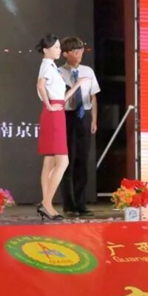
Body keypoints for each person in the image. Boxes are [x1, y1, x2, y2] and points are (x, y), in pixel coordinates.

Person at [35, 34, 88, 221]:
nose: (59, 50)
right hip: (53, 114)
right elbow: (40, 85)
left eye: (59, 47)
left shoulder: (52, 67)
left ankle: (46, 204)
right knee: (62, 162)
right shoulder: (46, 65)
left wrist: (77, 85)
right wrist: (49, 105)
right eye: (56, 47)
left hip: (57, 111)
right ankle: (46, 203)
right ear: (46, 50)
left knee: (50, 162)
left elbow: (61, 98)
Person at [58, 36, 100, 217]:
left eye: (81, 50)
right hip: (67, 117)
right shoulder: (59, 72)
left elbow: (93, 96)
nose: (79, 54)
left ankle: (81, 203)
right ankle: (69, 204)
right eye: (75, 51)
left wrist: (94, 120)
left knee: (82, 161)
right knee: (68, 161)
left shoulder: (88, 71)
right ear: (65, 54)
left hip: (84, 117)